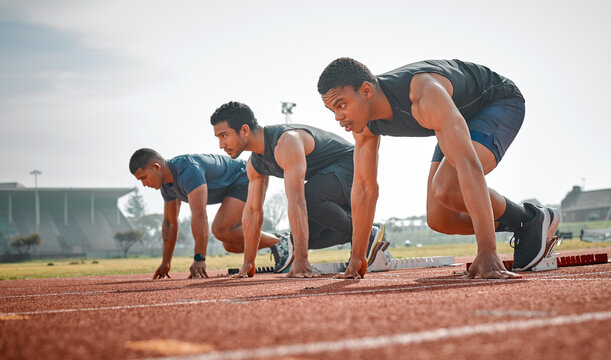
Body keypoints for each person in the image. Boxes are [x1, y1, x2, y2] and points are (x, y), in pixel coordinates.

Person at [317, 58, 560, 279]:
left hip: (496, 102)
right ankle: (521, 222)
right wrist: (358, 257)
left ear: (366, 90)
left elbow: (469, 165)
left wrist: (487, 251)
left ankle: (531, 219)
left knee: (447, 187)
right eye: (332, 110)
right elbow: (363, 188)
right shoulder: (364, 126)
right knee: (440, 219)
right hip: (453, 120)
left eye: (341, 105)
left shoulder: (423, 95)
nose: (338, 117)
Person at [209, 101, 385, 278]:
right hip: (327, 185)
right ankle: (363, 229)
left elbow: (298, 200)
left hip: (352, 166)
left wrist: (301, 258)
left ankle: (367, 234)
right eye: (218, 138)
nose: (221, 144)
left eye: (224, 135)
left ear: (244, 130)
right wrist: (249, 262)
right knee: (302, 239)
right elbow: (253, 212)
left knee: (309, 197)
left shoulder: (286, 141)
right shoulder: (254, 165)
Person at [129, 148, 290, 279]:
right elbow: (170, 224)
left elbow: (199, 215)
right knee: (230, 244)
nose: (144, 184)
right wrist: (165, 262)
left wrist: (199, 259)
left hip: (244, 176)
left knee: (220, 229)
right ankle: (280, 240)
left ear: (156, 167)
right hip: (232, 186)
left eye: (144, 178)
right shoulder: (166, 187)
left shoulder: (187, 170)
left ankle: (280, 243)